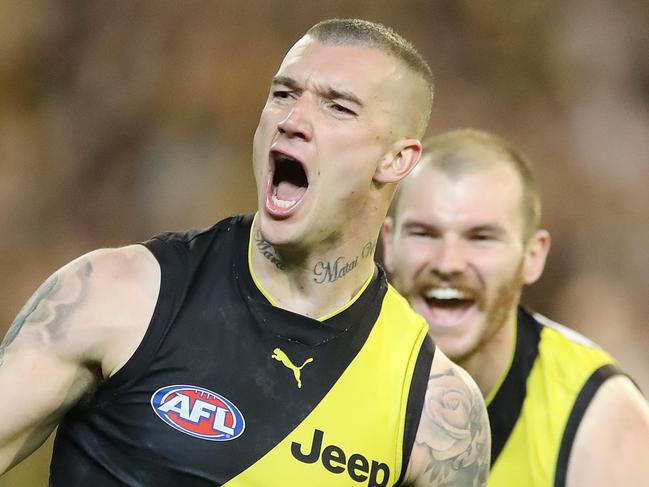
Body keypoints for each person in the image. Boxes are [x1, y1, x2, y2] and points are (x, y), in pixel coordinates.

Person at [0, 20, 490, 486]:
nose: (294, 120)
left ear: (396, 159)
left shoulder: (433, 412)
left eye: (338, 107)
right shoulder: (118, 294)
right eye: (283, 94)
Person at [381, 128, 649, 487]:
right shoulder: (329, 371)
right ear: (388, 242)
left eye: (481, 238)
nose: (448, 263)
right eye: (424, 233)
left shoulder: (600, 423)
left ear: (532, 256)